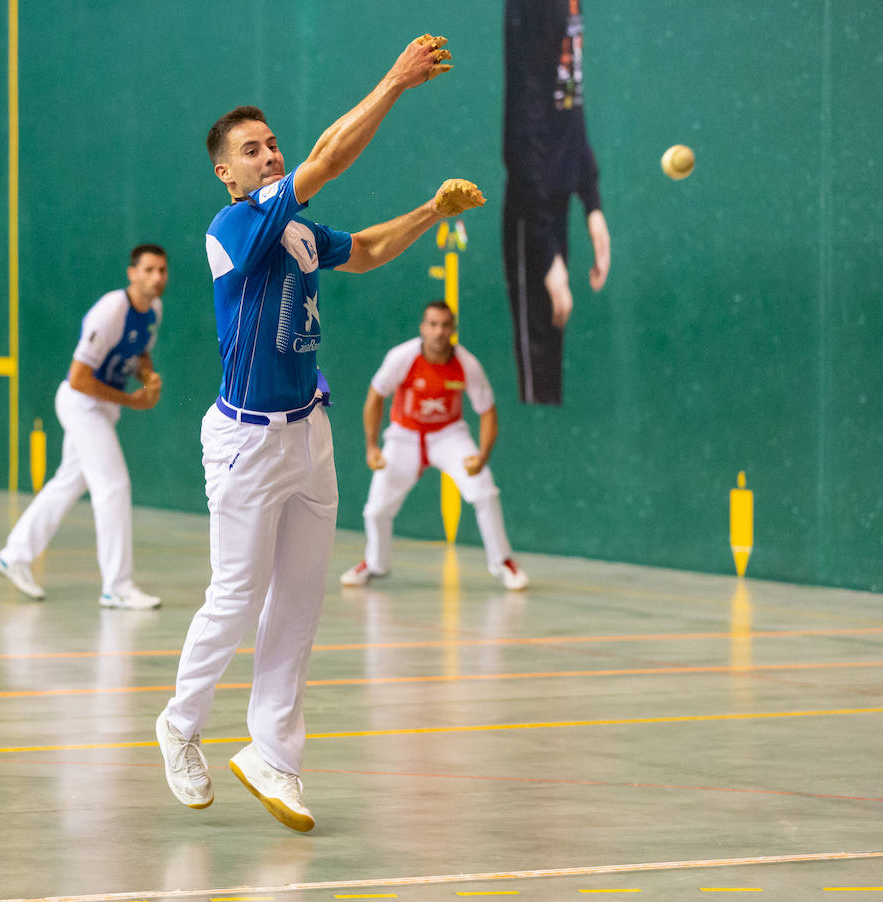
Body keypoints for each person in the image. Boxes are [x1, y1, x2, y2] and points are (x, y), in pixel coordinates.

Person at [155, 34, 487, 833]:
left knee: (299, 605)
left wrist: (430, 213)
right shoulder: (233, 230)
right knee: (237, 598)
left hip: (311, 435)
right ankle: (179, 724)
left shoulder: (298, 232)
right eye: (251, 150)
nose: (268, 156)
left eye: (271, 145)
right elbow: (330, 158)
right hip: (246, 442)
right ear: (225, 173)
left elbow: (366, 250)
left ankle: (274, 755)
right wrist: (396, 82)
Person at [0, 245, 168, 610]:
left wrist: (148, 376)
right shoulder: (111, 311)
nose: (157, 278)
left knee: (69, 482)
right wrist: (132, 400)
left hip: (102, 408)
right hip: (81, 405)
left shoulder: (153, 311)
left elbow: (139, 354)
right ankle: (117, 587)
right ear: (131, 273)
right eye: (149, 270)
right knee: (113, 486)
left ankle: (14, 555)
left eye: (162, 271)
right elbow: (78, 379)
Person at [340, 301, 529, 591]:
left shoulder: (467, 363)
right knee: (375, 511)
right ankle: (375, 564)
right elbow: (376, 396)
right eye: (433, 324)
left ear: (453, 329)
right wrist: (371, 447)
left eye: (445, 325)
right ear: (423, 328)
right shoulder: (402, 357)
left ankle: (503, 562)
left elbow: (487, 410)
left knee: (484, 490)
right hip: (404, 436)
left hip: (449, 436)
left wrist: (482, 456)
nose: (439, 331)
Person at [502, 0, 611, 405]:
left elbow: (570, 101)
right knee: (538, 377)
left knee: (551, 368)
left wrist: (592, 202)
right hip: (533, 212)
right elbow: (526, 130)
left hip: (560, 200)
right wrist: (547, 254)